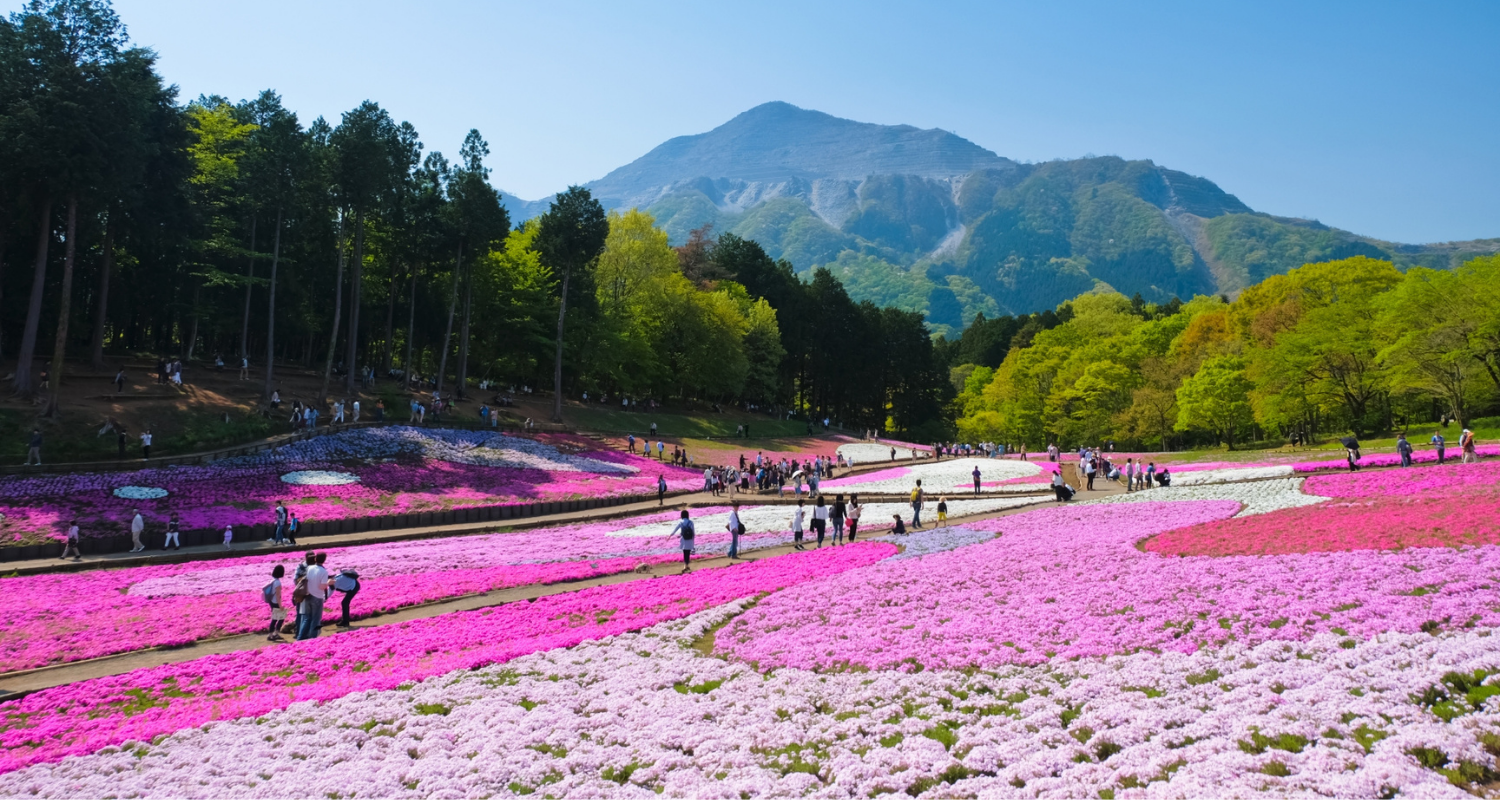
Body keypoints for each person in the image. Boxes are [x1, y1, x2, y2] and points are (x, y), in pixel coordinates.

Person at [297, 553, 330, 640]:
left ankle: (300, 637)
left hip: (308, 596)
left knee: (307, 618)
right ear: (324, 560)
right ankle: (312, 638)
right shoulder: (324, 572)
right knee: (316, 619)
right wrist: (329, 583)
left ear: (315, 559)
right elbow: (322, 587)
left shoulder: (309, 568)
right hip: (317, 598)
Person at [264, 565, 286, 642]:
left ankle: (273, 634)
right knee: (279, 618)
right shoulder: (277, 582)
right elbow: (278, 595)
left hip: (271, 601)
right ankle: (273, 634)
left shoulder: (272, 580)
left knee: (276, 618)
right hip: (275, 602)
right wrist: (280, 605)